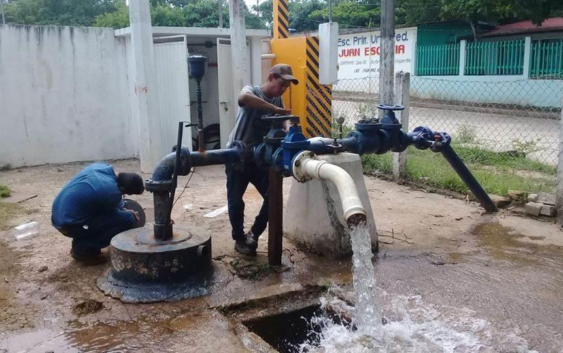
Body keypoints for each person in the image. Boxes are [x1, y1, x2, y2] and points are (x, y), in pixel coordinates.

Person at [226, 63, 299, 255]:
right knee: (235, 200)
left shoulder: (278, 99)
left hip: (260, 158)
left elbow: (285, 118)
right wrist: (273, 108)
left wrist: (289, 128)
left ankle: (254, 233)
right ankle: (239, 239)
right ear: (271, 77)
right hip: (237, 156)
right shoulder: (252, 90)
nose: (283, 89)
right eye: (282, 84)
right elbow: (243, 98)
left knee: (272, 197)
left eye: (286, 86)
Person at [51, 163, 145, 262]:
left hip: (58, 217)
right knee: (128, 219)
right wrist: (127, 212)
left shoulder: (101, 167)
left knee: (95, 214)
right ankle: (83, 250)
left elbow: (112, 203)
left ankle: (80, 242)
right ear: (122, 189)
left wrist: (122, 208)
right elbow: (115, 211)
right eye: (127, 193)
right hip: (69, 226)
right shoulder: (110, 192)